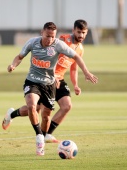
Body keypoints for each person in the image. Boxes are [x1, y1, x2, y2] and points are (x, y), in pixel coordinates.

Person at [5, 22, 98, 156]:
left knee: (45, 115)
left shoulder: (59, 45)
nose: (50, 39)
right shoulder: (33, 42)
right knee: (32, 106)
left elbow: (75, 59)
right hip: (33, 81)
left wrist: (86, 73)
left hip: (49, 85)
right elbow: (19, 57)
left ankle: (13, 115)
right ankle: (39, 138)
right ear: (42, 32)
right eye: (48, 36)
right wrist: (13, 65)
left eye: (53, 37)